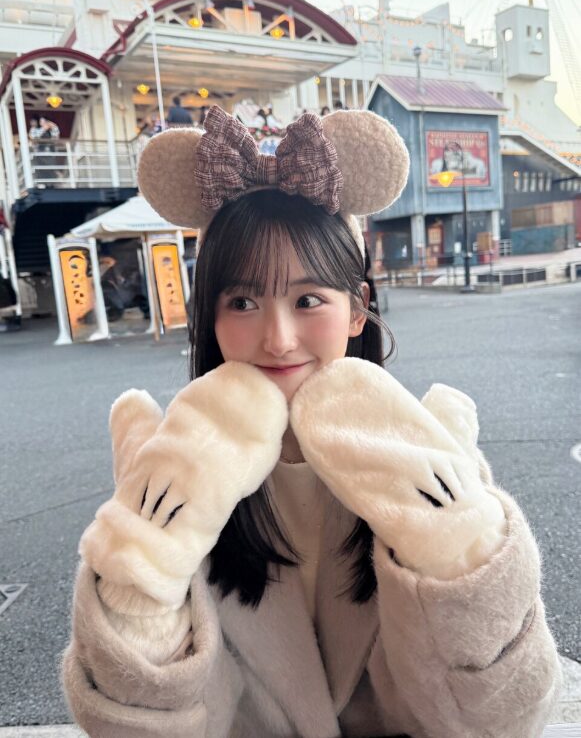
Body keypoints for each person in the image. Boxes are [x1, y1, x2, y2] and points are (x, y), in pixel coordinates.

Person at [63, 106, 561, 738]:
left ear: (357, 309)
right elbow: (135, 729)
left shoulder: (424, 449)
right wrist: (141, 569)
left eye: (307, 300)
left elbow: (506, 720)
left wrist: (457, 547)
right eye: (242, 301)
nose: (278, 338)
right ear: (210, 318)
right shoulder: (174, 466)